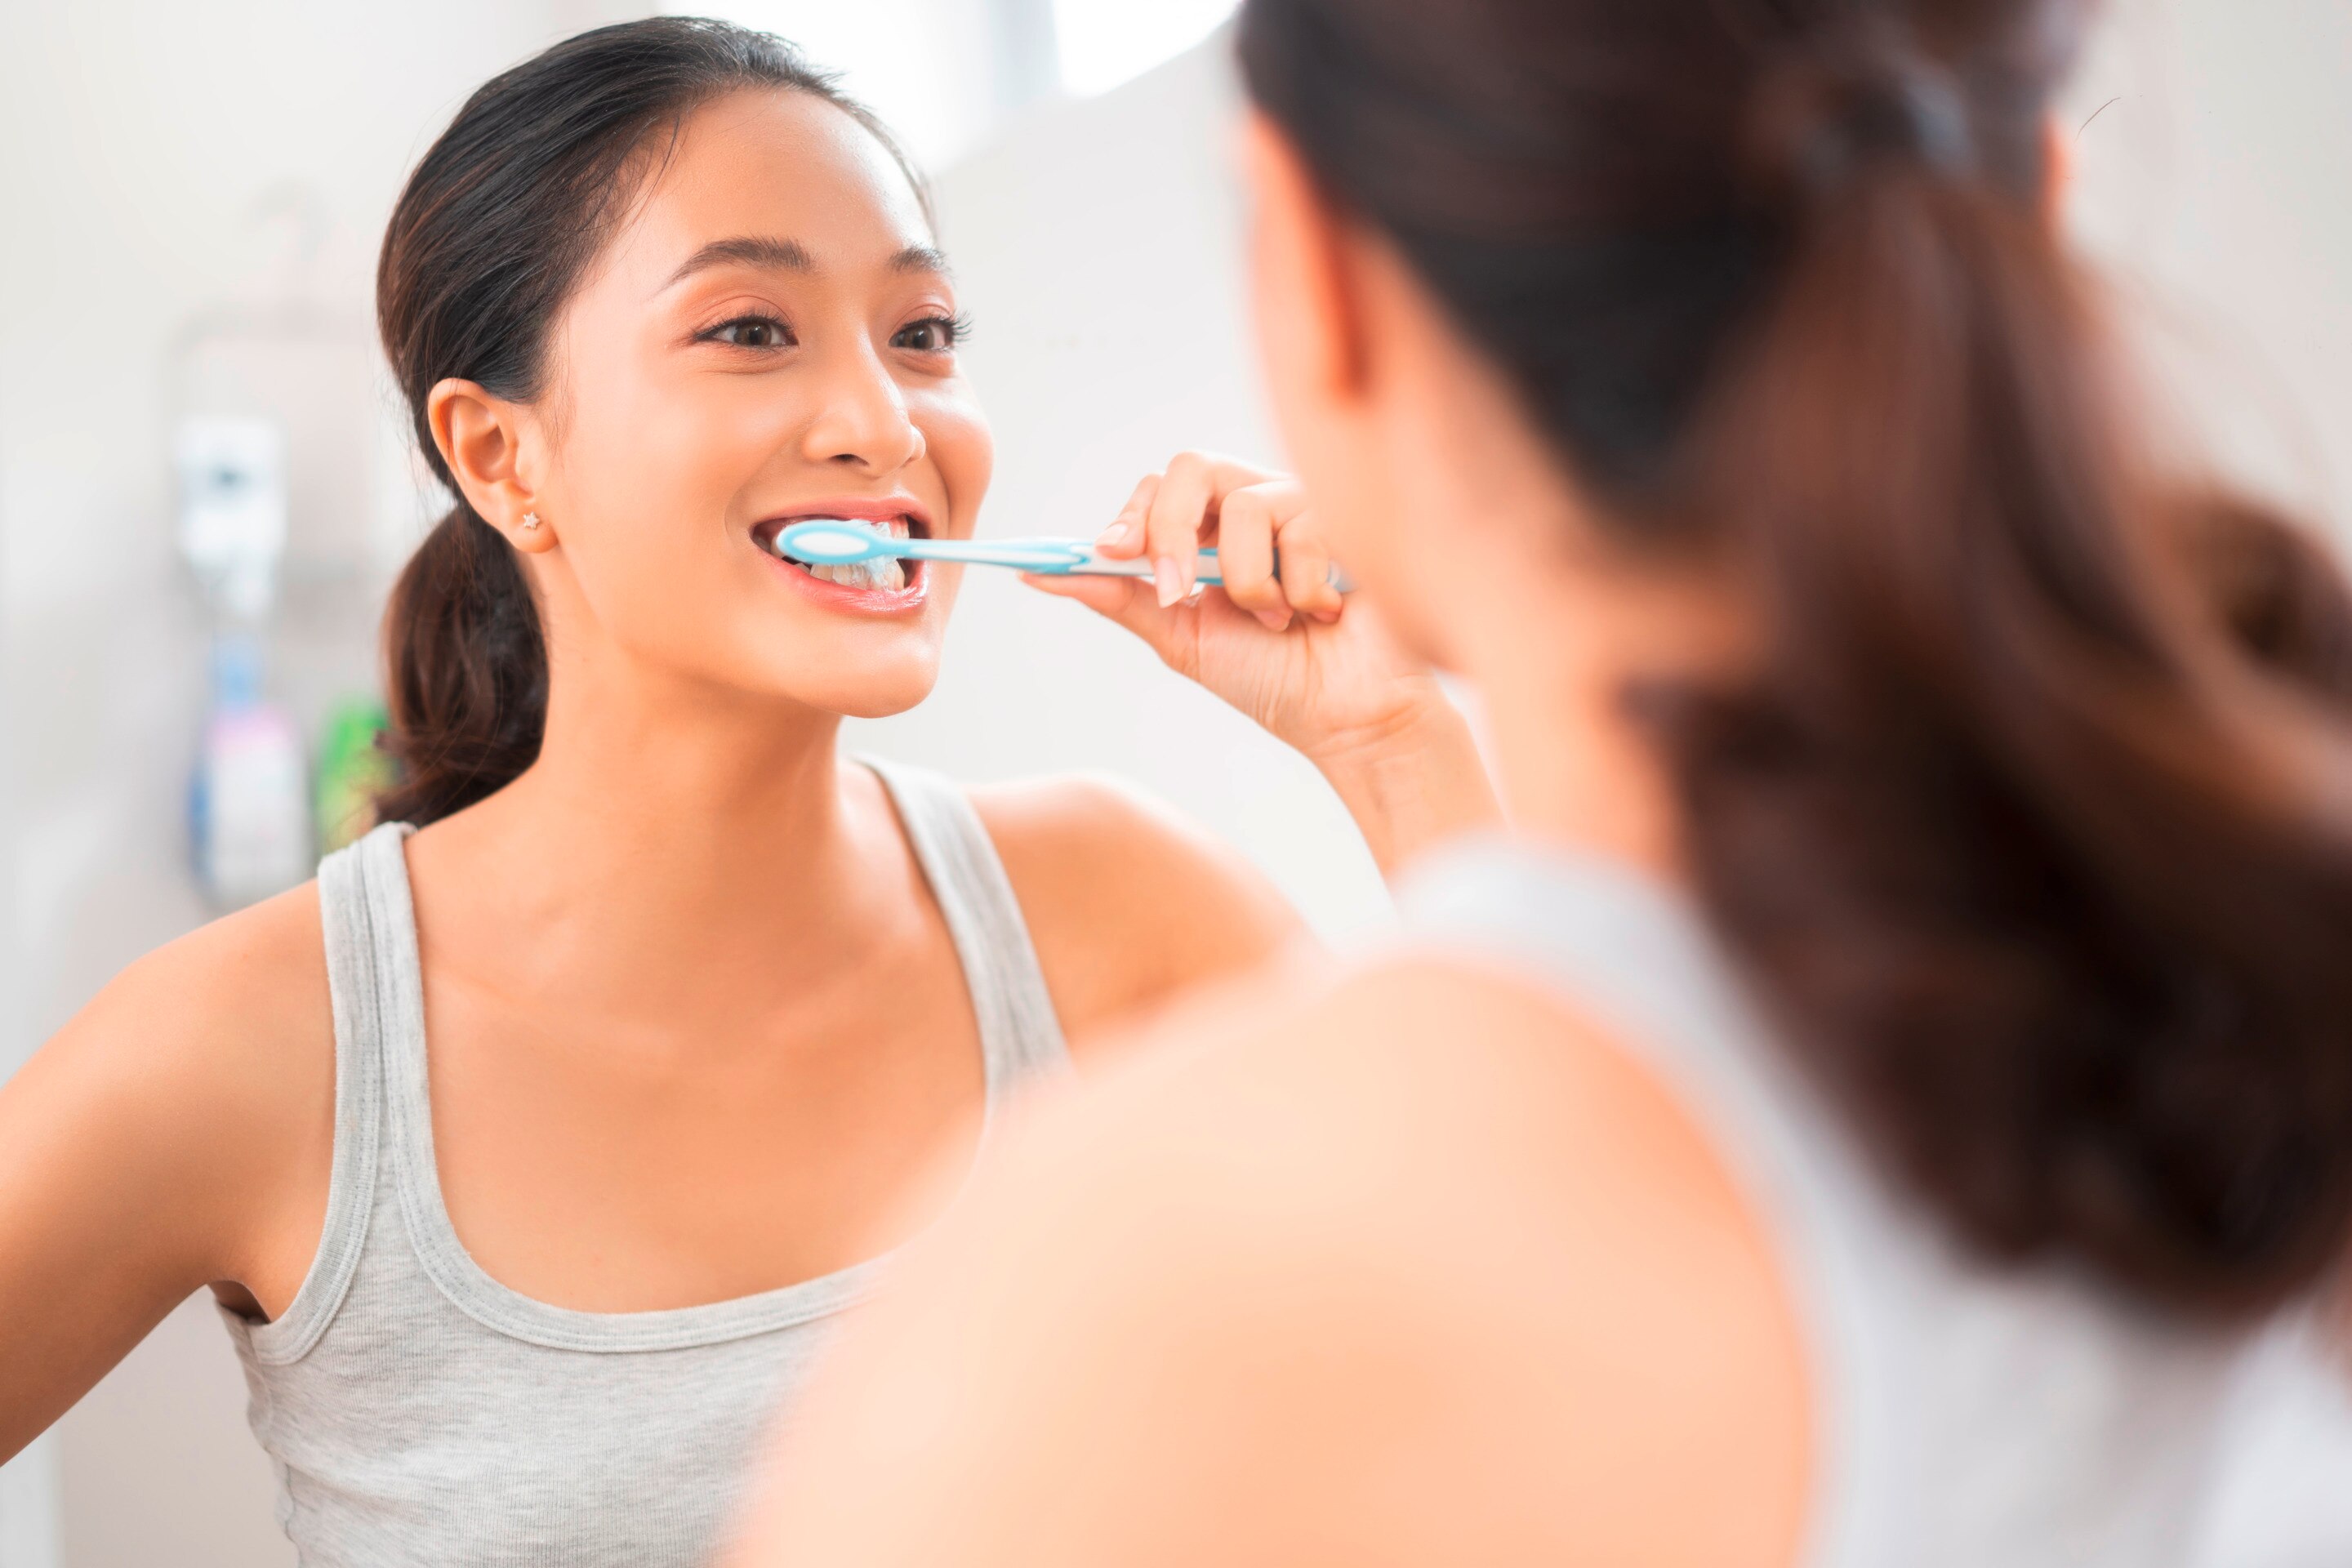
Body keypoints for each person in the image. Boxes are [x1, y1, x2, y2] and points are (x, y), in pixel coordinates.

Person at [731, 0, 2352, 1564]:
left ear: (1316, 282)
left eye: (928, 332)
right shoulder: (2259, 955)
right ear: (2039, 216)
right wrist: (1389, 748)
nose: (872, 417)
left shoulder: (1111, 1310)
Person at [0, 17, 1494, 1565]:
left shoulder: (1117, 913)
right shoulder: (261, 1044)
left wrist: (1394, 742)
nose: (885, 421)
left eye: (922, 331)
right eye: (750, 329)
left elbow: (1563, 1326)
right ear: (500, 456)